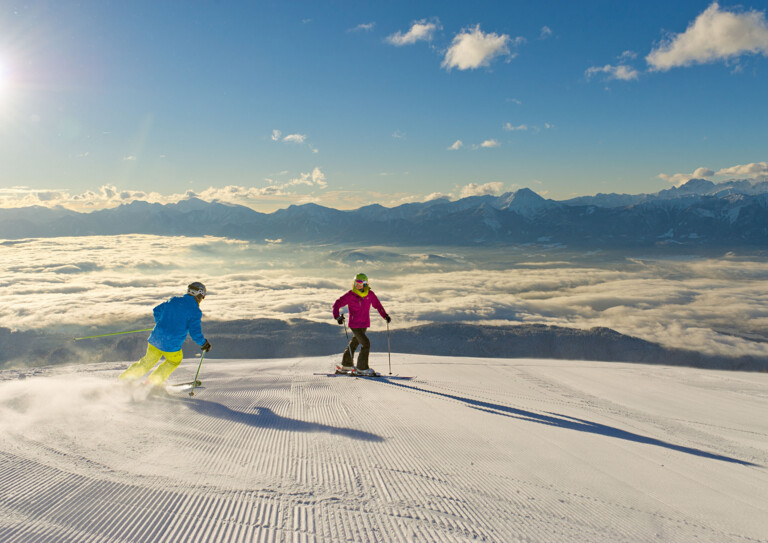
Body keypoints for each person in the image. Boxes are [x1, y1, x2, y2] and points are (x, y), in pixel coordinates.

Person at [119, 282, 212, 386]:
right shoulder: (195, 311)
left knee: (147, 362)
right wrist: (204, 343)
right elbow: (195, 333)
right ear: (198, 294)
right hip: (171, 345)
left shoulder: (174, 300)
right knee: (174, 360)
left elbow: (156, 310)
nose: (201, 300)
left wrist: (161, 323)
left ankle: (122, 381)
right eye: (202, 297)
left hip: (155, 339)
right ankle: (152, 383)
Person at [332, 273, 391, 375]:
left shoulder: (370, 294)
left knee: (355, 342)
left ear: (365, 284)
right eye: (355, 283)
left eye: (359, 283)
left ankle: (346, 365)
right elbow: (337, 303)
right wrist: (337, 317)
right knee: (366, 343)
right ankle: (362, 368)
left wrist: (385, 315)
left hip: (364, 324)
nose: (357, 285)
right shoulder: (350, 295)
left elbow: (377, 305)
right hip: (354, 324)